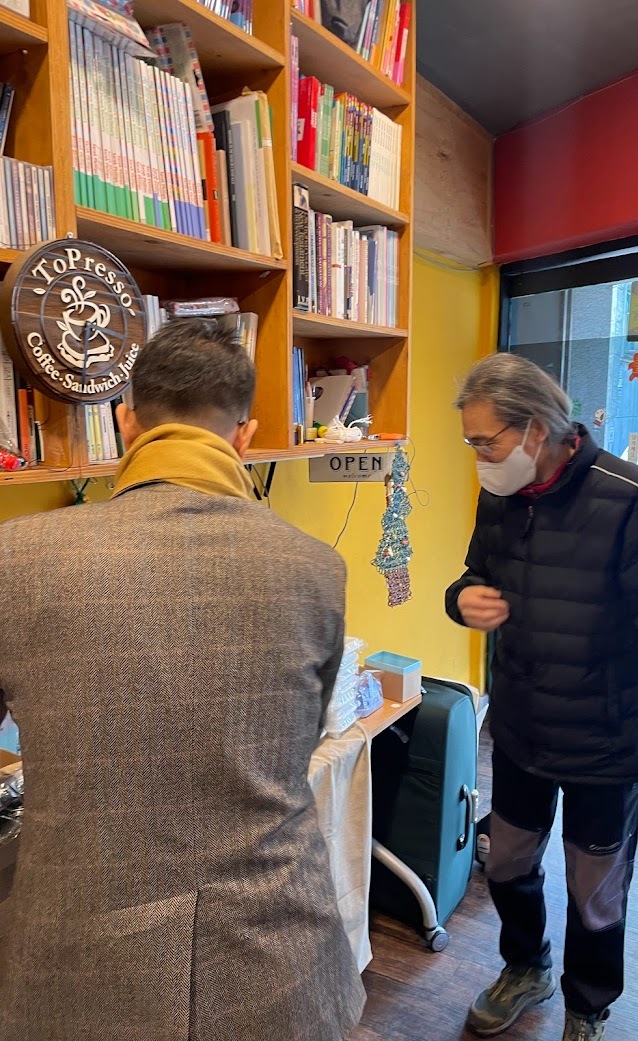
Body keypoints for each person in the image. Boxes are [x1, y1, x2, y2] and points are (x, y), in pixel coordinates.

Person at [0, 319, 365, 1041]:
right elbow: (298, 736)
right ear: (244, 437)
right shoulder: (315, 567)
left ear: (127, 422)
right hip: (274, 957)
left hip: (79, 959)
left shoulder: (16, 556)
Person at [445, 354, 638, 1041]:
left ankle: (587, 1007)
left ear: (535, 428)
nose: (478, 457)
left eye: (485, 441)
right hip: (522, 728)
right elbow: (475, 574)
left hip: (605, 744)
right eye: (471, 442)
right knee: (506, 863)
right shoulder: (502, 496)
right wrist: (460, 599)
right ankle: (524, 966)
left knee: (596, 891)